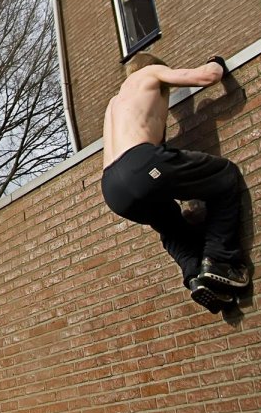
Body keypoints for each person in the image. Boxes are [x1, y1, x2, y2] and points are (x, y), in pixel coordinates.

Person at [100, 52, 250, 314]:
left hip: (112, 188)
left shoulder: (115, 103)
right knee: (224, 176)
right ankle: (219, 261)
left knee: (169, 223)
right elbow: (208, 76)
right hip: (140, 163)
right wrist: (216, 63)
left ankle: (195, 276)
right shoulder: (148, 73)